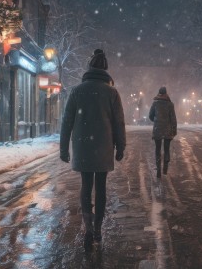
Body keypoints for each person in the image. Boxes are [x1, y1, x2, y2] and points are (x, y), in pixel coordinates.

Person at [60, 49, 126, 251]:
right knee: (101, 187)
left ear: (89, 67)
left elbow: (67, 121)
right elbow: (119, 123)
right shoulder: (112, 93)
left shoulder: (77, 91)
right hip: (104, 147)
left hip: (82, 146)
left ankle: (88, 226)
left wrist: (64, 148)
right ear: (105, 69)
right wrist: (120, 147)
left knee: (86, 186)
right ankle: (98, 229)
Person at [148, 87, 177, 178]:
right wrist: (174, 131)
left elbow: (150, 116)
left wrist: (156, 120)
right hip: (167, 130)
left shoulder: (155, 104)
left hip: (158, 129)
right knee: (167, 149)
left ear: (159, 93)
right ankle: (165, 168)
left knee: (157, 149)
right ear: (166, 93)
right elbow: (173, 119)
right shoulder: (170, 104)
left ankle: (158, 170)